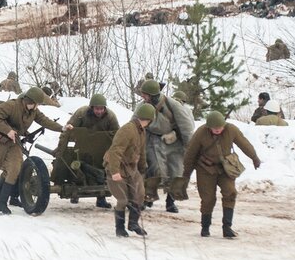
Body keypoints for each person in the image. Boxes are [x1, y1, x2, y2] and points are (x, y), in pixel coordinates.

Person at [0, 87, 64, 214]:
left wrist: (62, 128)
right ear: (30, 101)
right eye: (36, 103)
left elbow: (45, 121)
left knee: (15, 169)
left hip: (13, 143)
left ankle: (2, 203)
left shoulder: (34, 111)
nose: (37, 106)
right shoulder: (12, 106)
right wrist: (8, 130)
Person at [179, 111, 261, 238]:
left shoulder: (231, 130)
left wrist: (254, 157)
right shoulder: (201, 132)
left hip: (225, 169)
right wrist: (186, 175)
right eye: (214, 128)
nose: (217, 130)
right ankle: (205, 227)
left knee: (230, 192)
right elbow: (190, 154)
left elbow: (244, 144)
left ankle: (227, 227)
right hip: (205, 169)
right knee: (208, 199)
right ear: (208, 127)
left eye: (220, 127)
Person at [53, 94, 120, 208]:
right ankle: (75, 193)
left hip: (100, 147)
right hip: (81, 145)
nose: (99, 111)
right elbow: (68, 131)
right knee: (76, 164)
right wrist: (60, 150)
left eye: (102, 109)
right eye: (97, 109)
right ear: (91, 108)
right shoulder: (81, 114)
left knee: (101, 169)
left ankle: (101, 199)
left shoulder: (110, 117)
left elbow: (117, 135)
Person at [139, 79, 195, 214]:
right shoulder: (142, 106)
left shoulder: (172, 104)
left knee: (175, 172)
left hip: (172, 141)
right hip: (151, 140)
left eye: (145, 95)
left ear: (152, 95)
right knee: (152, 169)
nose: (143, 97)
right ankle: (147, 198)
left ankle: (171, 202)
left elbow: (186, 126)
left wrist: (190, 149)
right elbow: (135, 123)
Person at [103, 103, 155, 237]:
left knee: (139, 195)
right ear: (150, 119)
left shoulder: (141, 131)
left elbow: (141, 152)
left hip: (131, 168)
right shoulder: (128, 130)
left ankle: (133, 224)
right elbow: (115, 151)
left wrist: (143, 169)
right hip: (117, 167)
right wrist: (114, 172)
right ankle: (119, 228)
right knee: (123, 199)